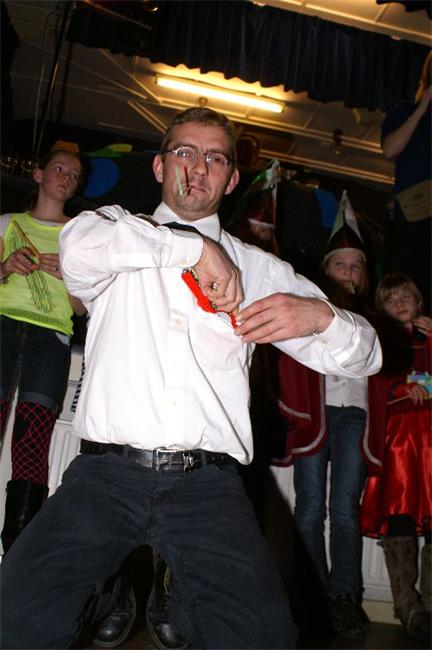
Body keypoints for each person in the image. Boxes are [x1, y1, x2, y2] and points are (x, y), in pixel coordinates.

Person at [1, 107, 381, 650]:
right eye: (184, 152)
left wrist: (323, 318)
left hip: (207, 488)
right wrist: (197, 248)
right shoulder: (114, 230)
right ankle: (108, 589)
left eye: (215, 158)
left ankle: (173, 589)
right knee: (14, 620)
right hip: (104, 478)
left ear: (231, 178)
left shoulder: (258, 270)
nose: (198, 167)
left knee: (264, 638)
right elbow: (77, 247)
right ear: (159, 167)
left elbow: (366, 357)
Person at [272, 193, 376, 640]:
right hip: (314, 416)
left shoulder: (374, 320)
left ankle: (345, 599)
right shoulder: (309, 313)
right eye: (340, 265)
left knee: (345, 509)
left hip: (356, 417)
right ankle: (312, 598)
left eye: (355, 266)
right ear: (326, 269)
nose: (348, 273)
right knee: (310, 506)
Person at [0, 149, 85, 554]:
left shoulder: (78, 236)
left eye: (74, 175)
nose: (65, 177)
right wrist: (5, 267)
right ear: (38, 174)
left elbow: (81, 308)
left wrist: (68, 276)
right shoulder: (6, 223)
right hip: (2, 328)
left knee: (32, 442)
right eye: (58, 169)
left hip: (50, 339)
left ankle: (17, 554)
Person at [360, 272, 431, 640]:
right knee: (400, 516)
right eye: (391, 299)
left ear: (419, 302)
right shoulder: (380, 343)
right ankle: (408, 607)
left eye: (406, 296)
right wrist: (400, 389)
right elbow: (372, 386)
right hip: (399, 444)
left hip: (430, 444)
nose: (400, 303)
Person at [381, 51, 431, 311]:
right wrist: (423, 106)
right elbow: (390, 149)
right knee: (408, 281)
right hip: (414, 211)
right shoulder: (406, 111)